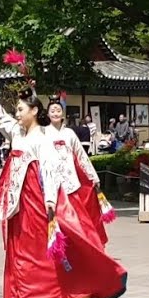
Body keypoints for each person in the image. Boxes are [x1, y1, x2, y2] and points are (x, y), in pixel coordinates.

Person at [0, 73, 128, 298]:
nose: (16, 113)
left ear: (34, 111)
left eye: (21, 109)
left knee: (33, 252)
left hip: (34, 202)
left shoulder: (43, 138)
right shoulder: (16, 133)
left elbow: (49, 171)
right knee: (25, 251)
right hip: (18, 201)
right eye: (16, 109)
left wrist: (49, 202)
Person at [48, 98, 112, 246]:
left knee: (76, 218)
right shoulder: (44, 133)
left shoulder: (70, 133)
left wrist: (93, 176)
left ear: (63, 113)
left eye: (58, 110)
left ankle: (86, 245)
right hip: (53, 183)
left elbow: (81, 156)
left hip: (70, 182)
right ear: (48, 114)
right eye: (52, 111)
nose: (56, 113)